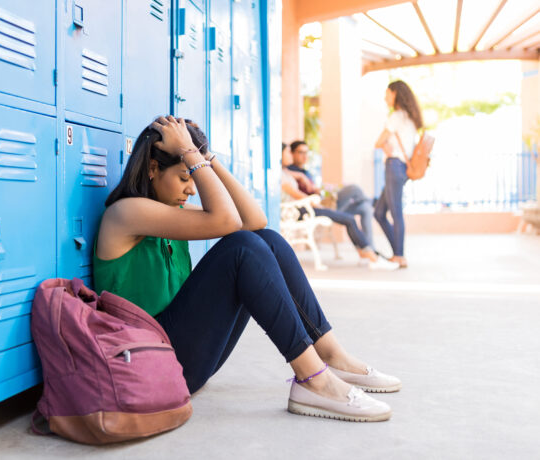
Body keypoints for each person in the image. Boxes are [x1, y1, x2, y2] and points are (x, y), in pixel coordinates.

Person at [94, 116, 401, 423]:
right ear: (152, 169)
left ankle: (333, 356)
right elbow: (229, 224)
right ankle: (314, 380)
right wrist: (190, 153)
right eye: (185, 177)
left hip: (180, 359)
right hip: (149, 365)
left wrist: (204, 156)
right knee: (242, 249)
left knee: (266, 240)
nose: (191, 190)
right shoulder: (125, 213)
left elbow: (254, 220)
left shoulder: (168, 211)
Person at [281, 144, 397, 270]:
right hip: (301, 210)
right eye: (287, 152)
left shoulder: (286, 172)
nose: (290, 155)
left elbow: (294, 178)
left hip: (306, 208)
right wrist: (315, 201)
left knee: (362, 210)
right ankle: (373, 257)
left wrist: (301, 177)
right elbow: (296, 194)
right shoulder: (280, 176)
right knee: (351, 213)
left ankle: (369, 254)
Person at [287, 141, 376, 248]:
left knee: (365, 208)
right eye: (301, 152)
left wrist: (319, 190)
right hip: (315, 207)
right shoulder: (290, 171)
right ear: (292, 153)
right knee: (353, 189)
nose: (305, 156)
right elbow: (280, 173)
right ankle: (372, 202)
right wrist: (300, 175)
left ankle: (371, 249)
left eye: (307, 152)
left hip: (324, 202)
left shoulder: (306, 172)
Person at [373, 80, 423, 268]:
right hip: (400, 167)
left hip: (394, 166)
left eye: (387, 93)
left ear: (395, 94)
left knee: (395, 211)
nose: (385, 97)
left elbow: (378, 141)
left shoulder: (396, 117)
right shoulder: (409, 118)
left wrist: (384, 146)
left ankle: (399, 255)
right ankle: (397, 252)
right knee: (379, 212)